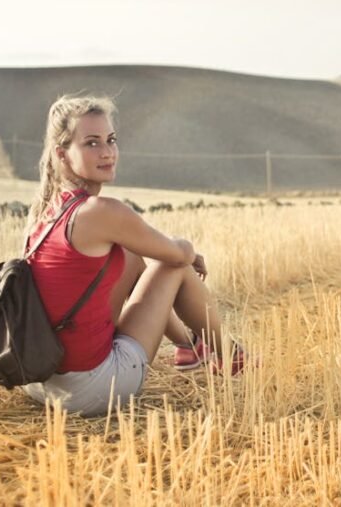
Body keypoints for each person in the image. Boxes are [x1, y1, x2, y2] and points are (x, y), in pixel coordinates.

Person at [22, 94, 244, 416]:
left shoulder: (46, 211)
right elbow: (177, 256)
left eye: (111, 140)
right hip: (92, 390)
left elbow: (136, 254)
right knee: (174, 268)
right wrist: (187, 250)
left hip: (40, 382)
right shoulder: (100, 211)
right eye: (92, 143)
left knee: (127, 255)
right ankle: (232, 355)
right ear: (63, 154)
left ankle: (189, 347)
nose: (107, 152)